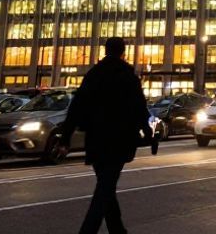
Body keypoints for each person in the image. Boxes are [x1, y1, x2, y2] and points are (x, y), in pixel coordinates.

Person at [58, 36, 153, 234]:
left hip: (95, 138)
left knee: (105, 184)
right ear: (123, 51)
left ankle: (117, 229)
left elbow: (76, 107)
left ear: (105, 50)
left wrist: (65, 138)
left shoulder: (93, 75)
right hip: (120, 138)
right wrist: (147, 131)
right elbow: (139, 106)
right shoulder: (128, 76)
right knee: (105, 187)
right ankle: (88, 230)